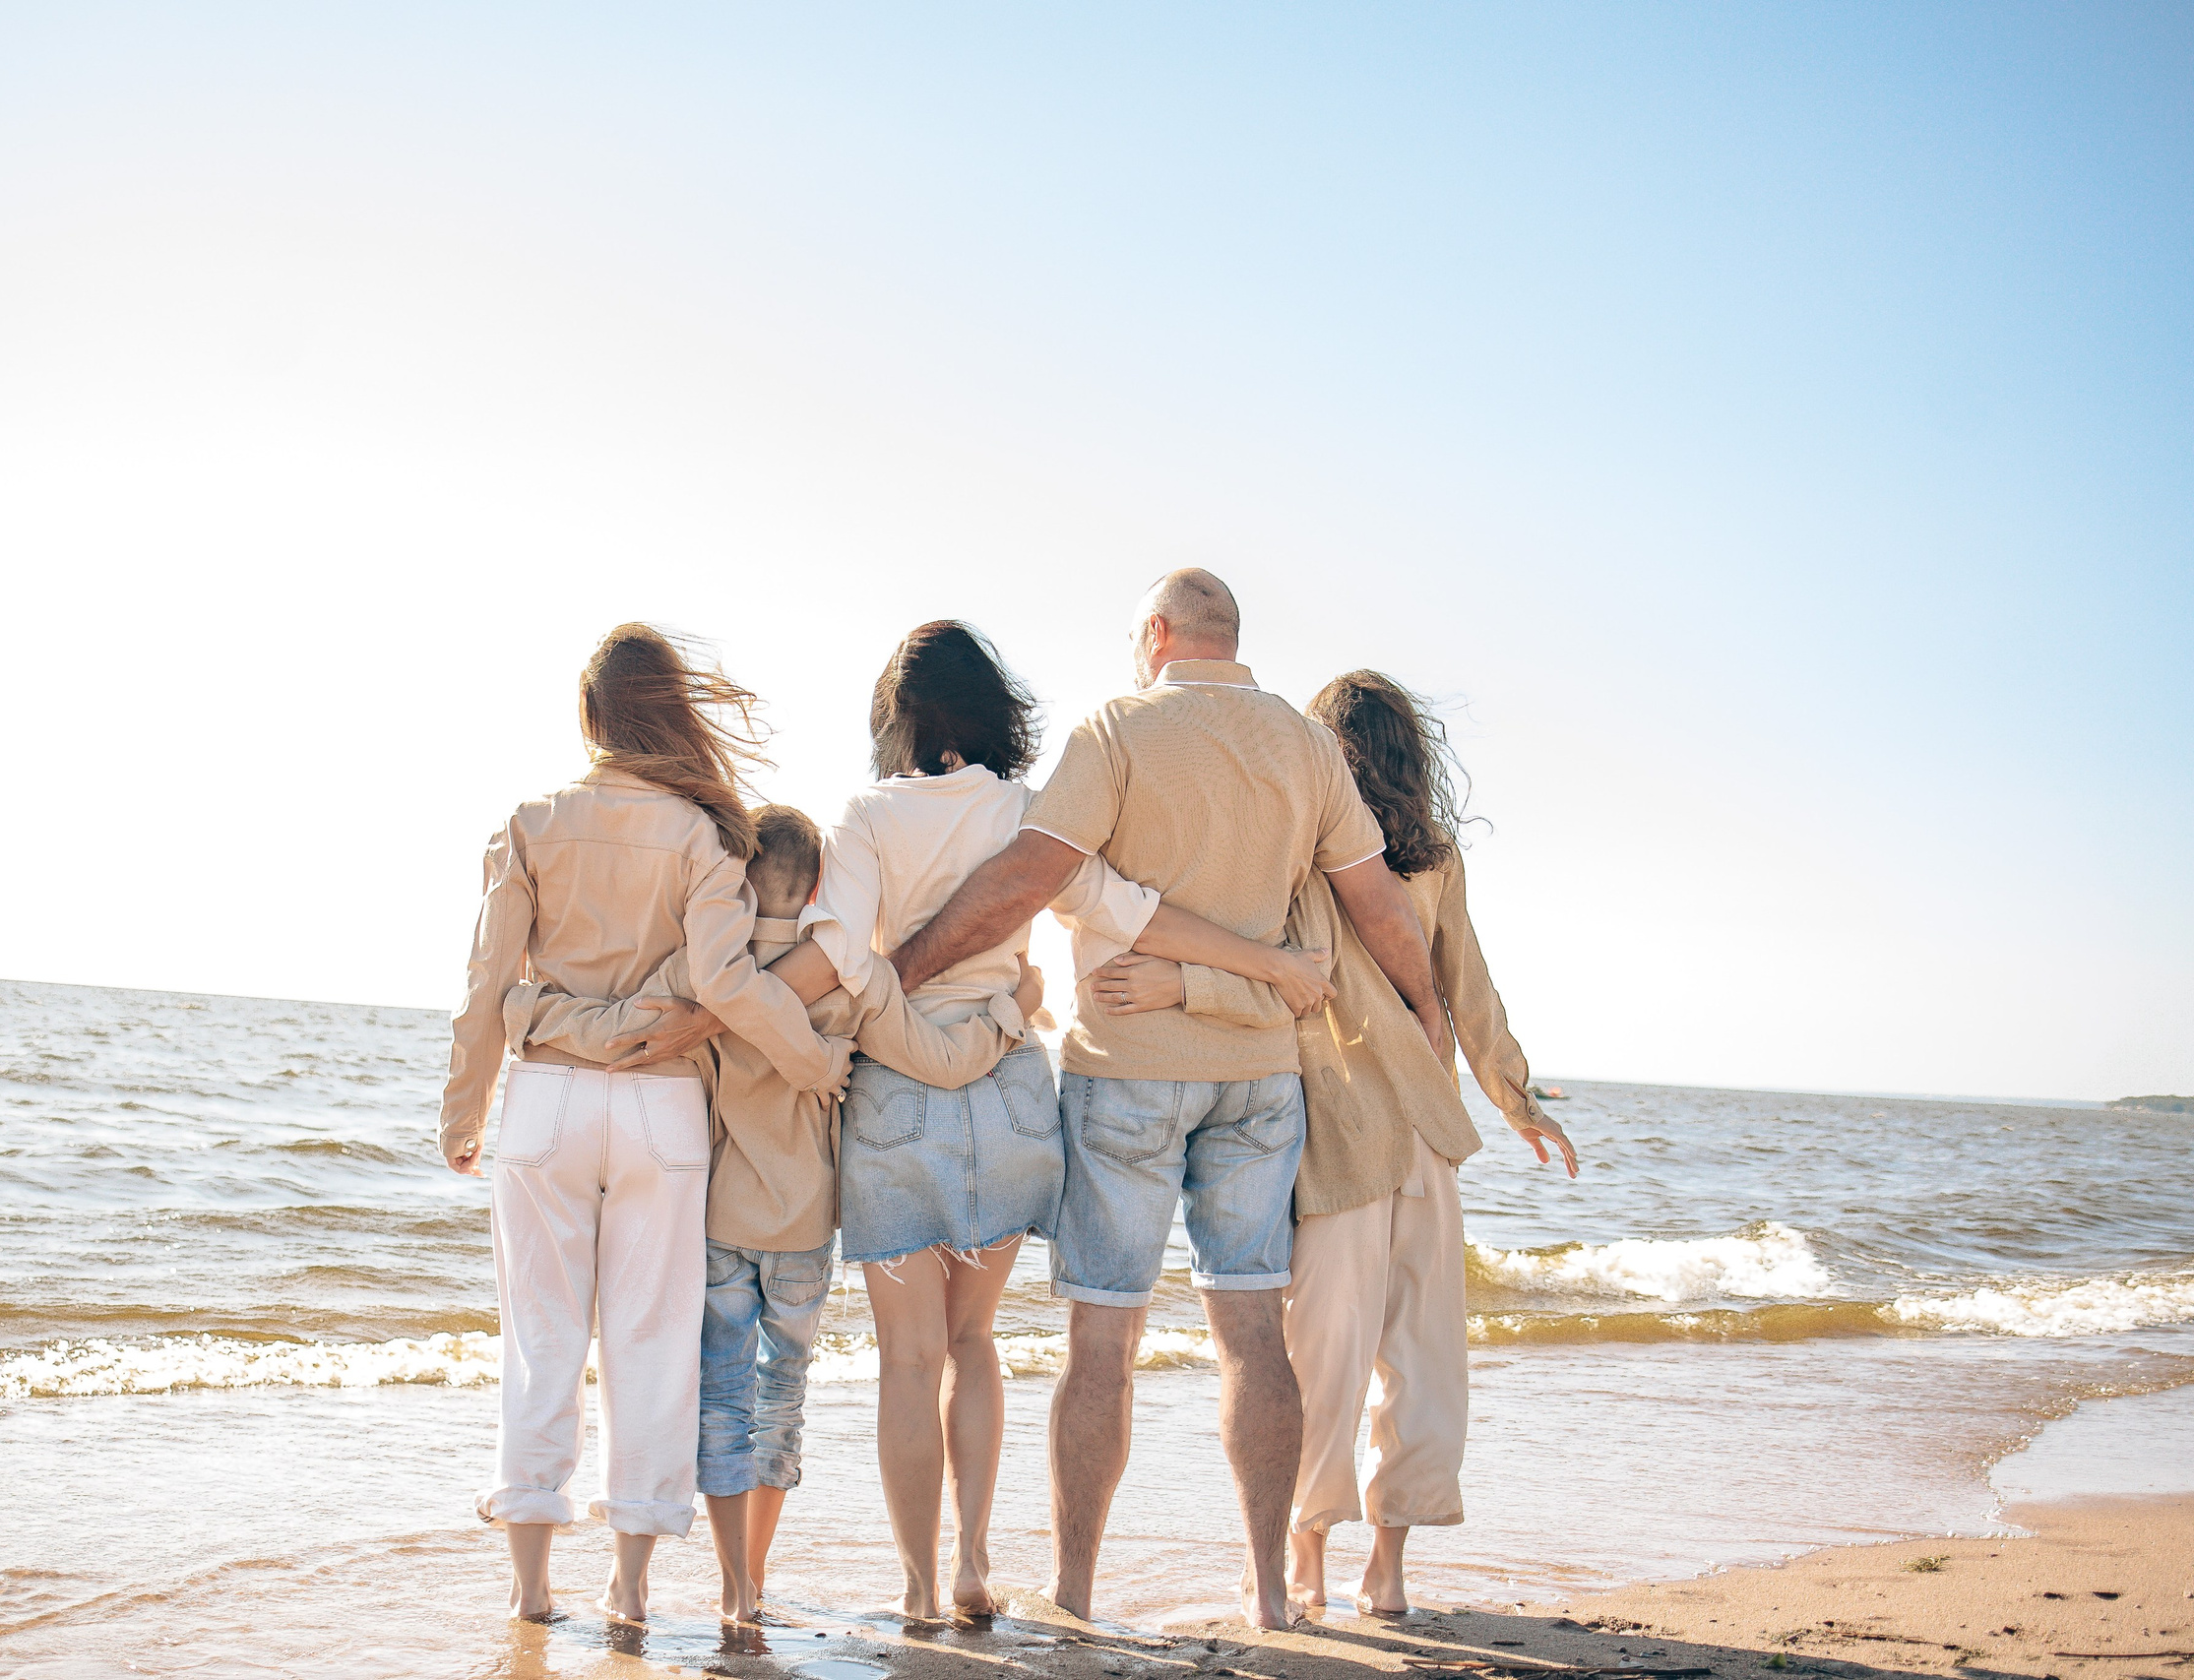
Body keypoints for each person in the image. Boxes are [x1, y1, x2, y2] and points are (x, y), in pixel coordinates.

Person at [608, 620, 1328, 1623]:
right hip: (1010, 1093)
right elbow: (1125, 909)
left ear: (895, 721)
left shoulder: (867, 816)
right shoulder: (1026, 811)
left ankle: (916, 1587)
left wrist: (713, 1013)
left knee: (909, 1361)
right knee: (974, 1344)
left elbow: (836, 957)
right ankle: (974, 1564)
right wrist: (1268, 964)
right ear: (992, 709)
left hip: (897, 1098)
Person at [884, 575, 1449, 1630]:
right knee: (1253, 1333)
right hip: (1259, 1077)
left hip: (1126, 1071)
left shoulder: (1118, 729)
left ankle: (1075, 1592)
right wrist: (1428, 1016)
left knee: (1103, 1342)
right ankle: (1271, 1593)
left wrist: (901, 970)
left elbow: (1027, 877)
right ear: (1229, 637)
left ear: (1156, 634)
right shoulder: (1305, 745)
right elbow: (1378, 906)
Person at [1092, 669, 1577, 1620]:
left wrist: (1181, 987)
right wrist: (1517, 1100)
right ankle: (1386, 1572)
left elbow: (1286, 978)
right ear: (1410, 758)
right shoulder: (1434, 863)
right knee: (1424, 1361)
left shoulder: (1306, 858)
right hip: (1428, 1135)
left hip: (1341, 1135)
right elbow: (1470, 988)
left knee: (1322, 1359)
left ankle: (1305, 1560)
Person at [517, 802, 1045, 1623]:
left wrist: (528, 1015)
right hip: (802, 1233)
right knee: (780, 1400)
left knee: (722, 1399)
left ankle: (734, 1585)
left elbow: (627, 1040)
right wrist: (1014, 1010)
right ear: (824, 885)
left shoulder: (704, 974)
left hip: (720, 1224)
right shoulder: (850, 981)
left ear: (734, 879)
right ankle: (757, 1576)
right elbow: (942, 1060)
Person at [435, 624, 852, 1624]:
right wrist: (813, 1062)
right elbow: (724, 983)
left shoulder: (532, 822)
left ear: (591, 719)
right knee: (652, 1344)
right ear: (672, 713)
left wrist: (463, 1111)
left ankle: (532, 1588)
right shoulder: (707, 837)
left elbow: (487, 982)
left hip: (546, 1098)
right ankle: (627, 1588)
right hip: (661, 1105)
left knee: (539, 1339)